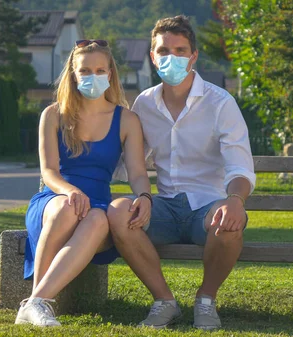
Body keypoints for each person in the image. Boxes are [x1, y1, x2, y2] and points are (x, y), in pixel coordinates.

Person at [108, 15, 256, 330]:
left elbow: (240, 166)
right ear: (152, 57)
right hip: (163, 207)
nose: (171, 58)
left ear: (193, 56)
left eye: (180, 50)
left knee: (230, 222)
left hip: (208, 207)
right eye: (163, 51)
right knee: (119, 211)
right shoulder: (144, 105)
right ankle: (164, 301)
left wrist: (234, 200)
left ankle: (205, 300)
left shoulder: (220, 103)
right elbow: (128, 163)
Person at [15, 39, 152, 327]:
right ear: (74, 74)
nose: (93, 76)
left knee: (99, 218)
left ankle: (35, 304)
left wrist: (144, 196)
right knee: (68, 208)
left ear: (111, 73)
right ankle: (39, 303)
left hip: (98, 205)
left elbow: (138, 172)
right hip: (55, 199)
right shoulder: (53, 114)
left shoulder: (126, 119)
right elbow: (49, 171)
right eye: (85, 70)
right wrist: (71, 191)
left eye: (100, 70)